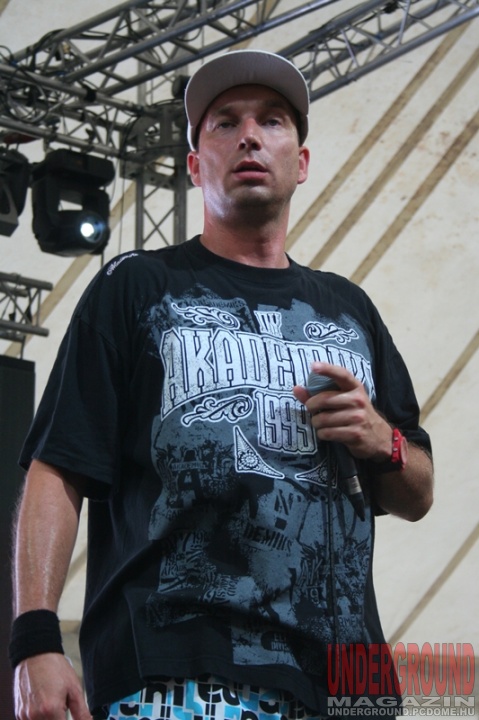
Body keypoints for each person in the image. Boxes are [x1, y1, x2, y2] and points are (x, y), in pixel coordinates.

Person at [10, 49, 433, 720]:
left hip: (350, 684)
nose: (249, 136)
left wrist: (382, 439)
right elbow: (57, 467)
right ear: (193, 165)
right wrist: (34, 639)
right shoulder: (135, 286)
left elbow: (417, 494)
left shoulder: (349, 309)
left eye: (272, 120)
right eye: (225, 122)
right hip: (178, 665)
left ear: (301, 162)